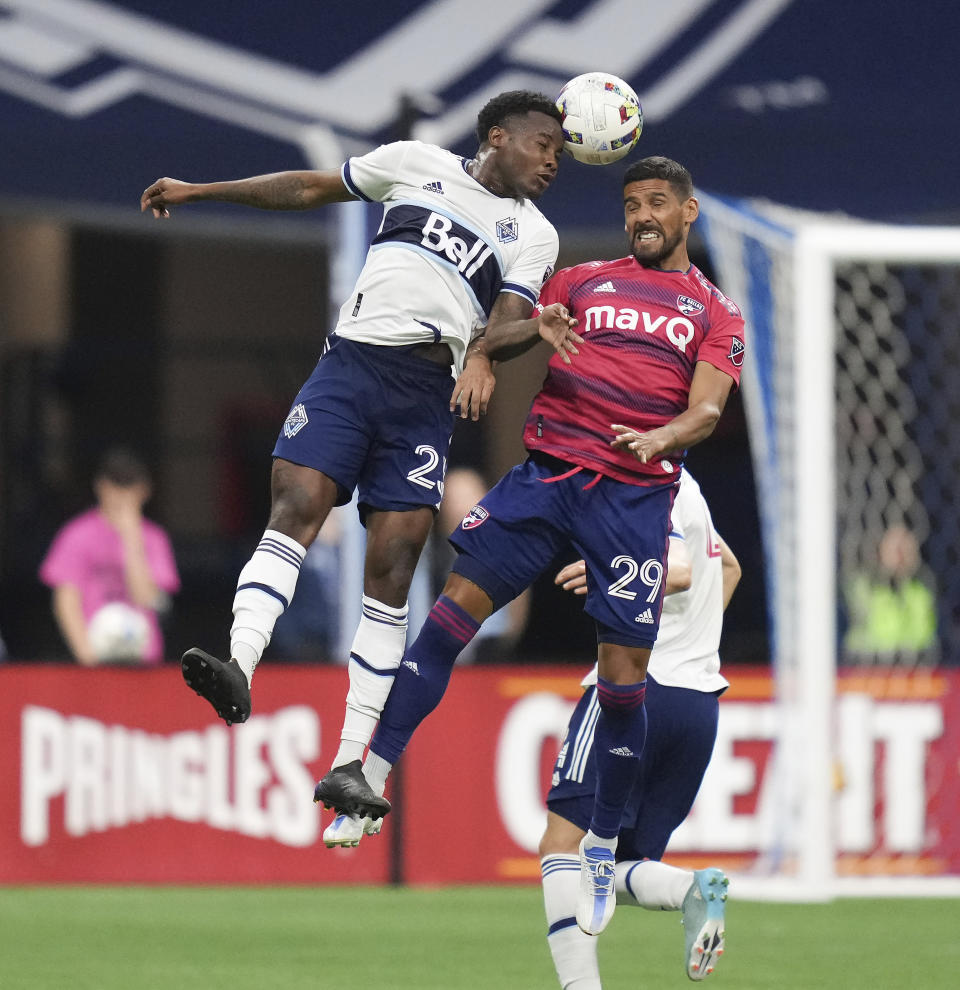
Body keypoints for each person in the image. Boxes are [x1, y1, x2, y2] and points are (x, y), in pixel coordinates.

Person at [341, 155, 746, 936]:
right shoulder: (583, 278)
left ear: (688, 212)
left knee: (622, 682)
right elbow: (504, 324)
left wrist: (659, 437)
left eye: (657, 203)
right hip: (547, 478)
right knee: (448, 620)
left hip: (632, 498)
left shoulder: (715, 312)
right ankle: (368, 772)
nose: (642, 216)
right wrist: (502, 346)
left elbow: (705, 412)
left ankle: (600, 848)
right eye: (632, 204)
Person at [141, 91, 573, 819]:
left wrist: (497, 352)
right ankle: (238, 665)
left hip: (424, 393)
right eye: (542, 146)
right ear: (497, 136)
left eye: (560, 154)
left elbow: (504, 322)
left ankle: (349, 763)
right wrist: (200, 191)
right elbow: (310, 187)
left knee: (395, 566)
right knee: (298, 504)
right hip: (352, 365)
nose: (552, 163)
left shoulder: (534, 234)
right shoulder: (416, 166)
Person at [541, 467, 740, 987]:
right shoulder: (692, 489)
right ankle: (690, 890)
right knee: (614, 864)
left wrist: (607, 570)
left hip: (636, 690)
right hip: (698, 704)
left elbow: (677, 569)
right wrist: (692, 645)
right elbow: (730, 568)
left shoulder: (644, 483)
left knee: (561, 848)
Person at [38, 447, 180, 665]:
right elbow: (66, 601)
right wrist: (88, 659)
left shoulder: (155, 538)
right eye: (115, 484)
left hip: (143, 662)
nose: (120, 493)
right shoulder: (76, 534)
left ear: (144, 490)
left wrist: (132, 537)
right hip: (94, 658)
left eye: (129, 485)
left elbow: (148, 599)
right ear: (100, 486)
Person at [842, 522, 938, 665]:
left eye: (906, 548)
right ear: (881, 548)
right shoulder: (861, 587)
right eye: (895, 548)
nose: (901, 556)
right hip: (867, 665)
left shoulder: (923, 590)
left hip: (917, 665)